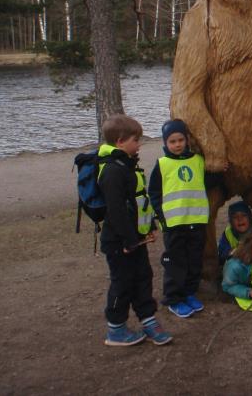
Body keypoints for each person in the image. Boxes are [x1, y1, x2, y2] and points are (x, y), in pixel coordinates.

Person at [97, 114, 172, 346]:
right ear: (120, 142)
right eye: (135, 140)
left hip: (135, 238)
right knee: (123, 282)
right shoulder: (112, 171)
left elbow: (139, 202)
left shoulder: (128, 165)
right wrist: (128, 240)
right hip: (120, 241)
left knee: (143, 277)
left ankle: (148, 320)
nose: (139, 144)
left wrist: (147, 228)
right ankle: (116, 329)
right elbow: (117, 212)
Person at [148, 119, 225, 318]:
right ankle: (173, 298)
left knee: (193, 260)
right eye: (172, 141)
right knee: (176, 262)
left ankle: (189, 292)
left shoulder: (198, 161)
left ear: (187, 140)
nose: (177, 144)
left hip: (196, 221)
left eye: (180, 139)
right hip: (174, 224)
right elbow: (154, 193)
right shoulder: (162, 164)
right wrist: (162, 217)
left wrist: (220, 172)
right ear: (165, 143)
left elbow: (206, 183)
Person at [218, 200, 252, 265]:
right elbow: (222, 253)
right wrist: (234, 251)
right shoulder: (228, 233)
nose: (240, 219)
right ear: (231, 221)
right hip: (238, 266)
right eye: (235, 217)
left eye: (244, 215)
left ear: (250, 218)